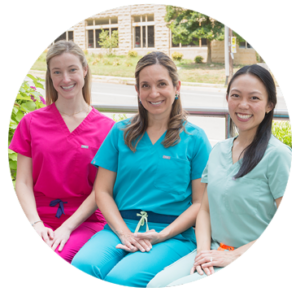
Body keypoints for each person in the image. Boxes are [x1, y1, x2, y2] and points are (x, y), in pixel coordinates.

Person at [71, 51, 212, 287]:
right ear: (137, 90)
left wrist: (163, 234)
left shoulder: (195, 138)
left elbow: (200, 203)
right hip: (119, 227)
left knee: (123, 279)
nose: (153, 93)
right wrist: (124, 232)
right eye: (145, 85)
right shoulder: (120, 133)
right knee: (83, 266)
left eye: (162, 84)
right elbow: (102, 191)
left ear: (177, 87)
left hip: (172, 234)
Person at [146, 64, 292, 287]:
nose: (243, 105)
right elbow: (204, 209)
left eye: (254, 98)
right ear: (227, 99)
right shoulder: (219, 150)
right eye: (236, 96)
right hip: (212, 249)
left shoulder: (278, 155)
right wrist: (203, 252)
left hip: (245, 253)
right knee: (155, 286)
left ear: (270, 104)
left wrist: (234, 256)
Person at [9, 40, 115, 263]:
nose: (65, 79)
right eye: (57, 72)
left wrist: (66, 228)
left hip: (84, 220)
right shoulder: (30, 123)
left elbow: (101, 190)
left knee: (57, 256)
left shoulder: (106, 128)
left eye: (72, 70)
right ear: (50, 76)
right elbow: (23, 182)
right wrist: (35, 223)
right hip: (35, 216)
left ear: (85, 70)